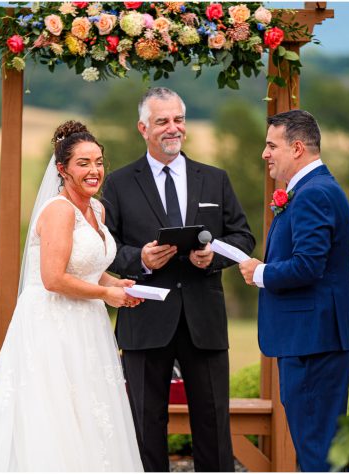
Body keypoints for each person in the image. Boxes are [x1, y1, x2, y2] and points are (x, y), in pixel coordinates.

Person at [0, 121, 145, 471]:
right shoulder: (58, 211)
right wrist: (105, 293)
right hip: (54, 324)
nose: (94, 170)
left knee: (91, 412)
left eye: (99, 161)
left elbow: (87, 266)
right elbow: (54, 278)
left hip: (88, 323)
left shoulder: (97, 210)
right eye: (83, 163)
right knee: (55, 412)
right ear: (62, 169)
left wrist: (117, 283)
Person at [100, 87, 254, 472]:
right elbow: (105, 247)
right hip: (145, 317)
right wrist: (142, 259)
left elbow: (243, 236)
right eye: (163, 121)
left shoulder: (214, 179)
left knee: (214, 423)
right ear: (143, 127)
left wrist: (212, 256)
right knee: (145, 424)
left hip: (204, 319)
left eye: (179, 119)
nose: (173, 128)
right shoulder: (118, 183)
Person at [239, 110, 349, 471]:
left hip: (312, 343)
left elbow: (308, 265)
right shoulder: (311, 190)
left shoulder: (313, 194)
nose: (265, 153)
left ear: (298, 148)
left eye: (272, 145)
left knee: (317, 450)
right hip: (311, 339)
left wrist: (261, 272)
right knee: (317, 446)